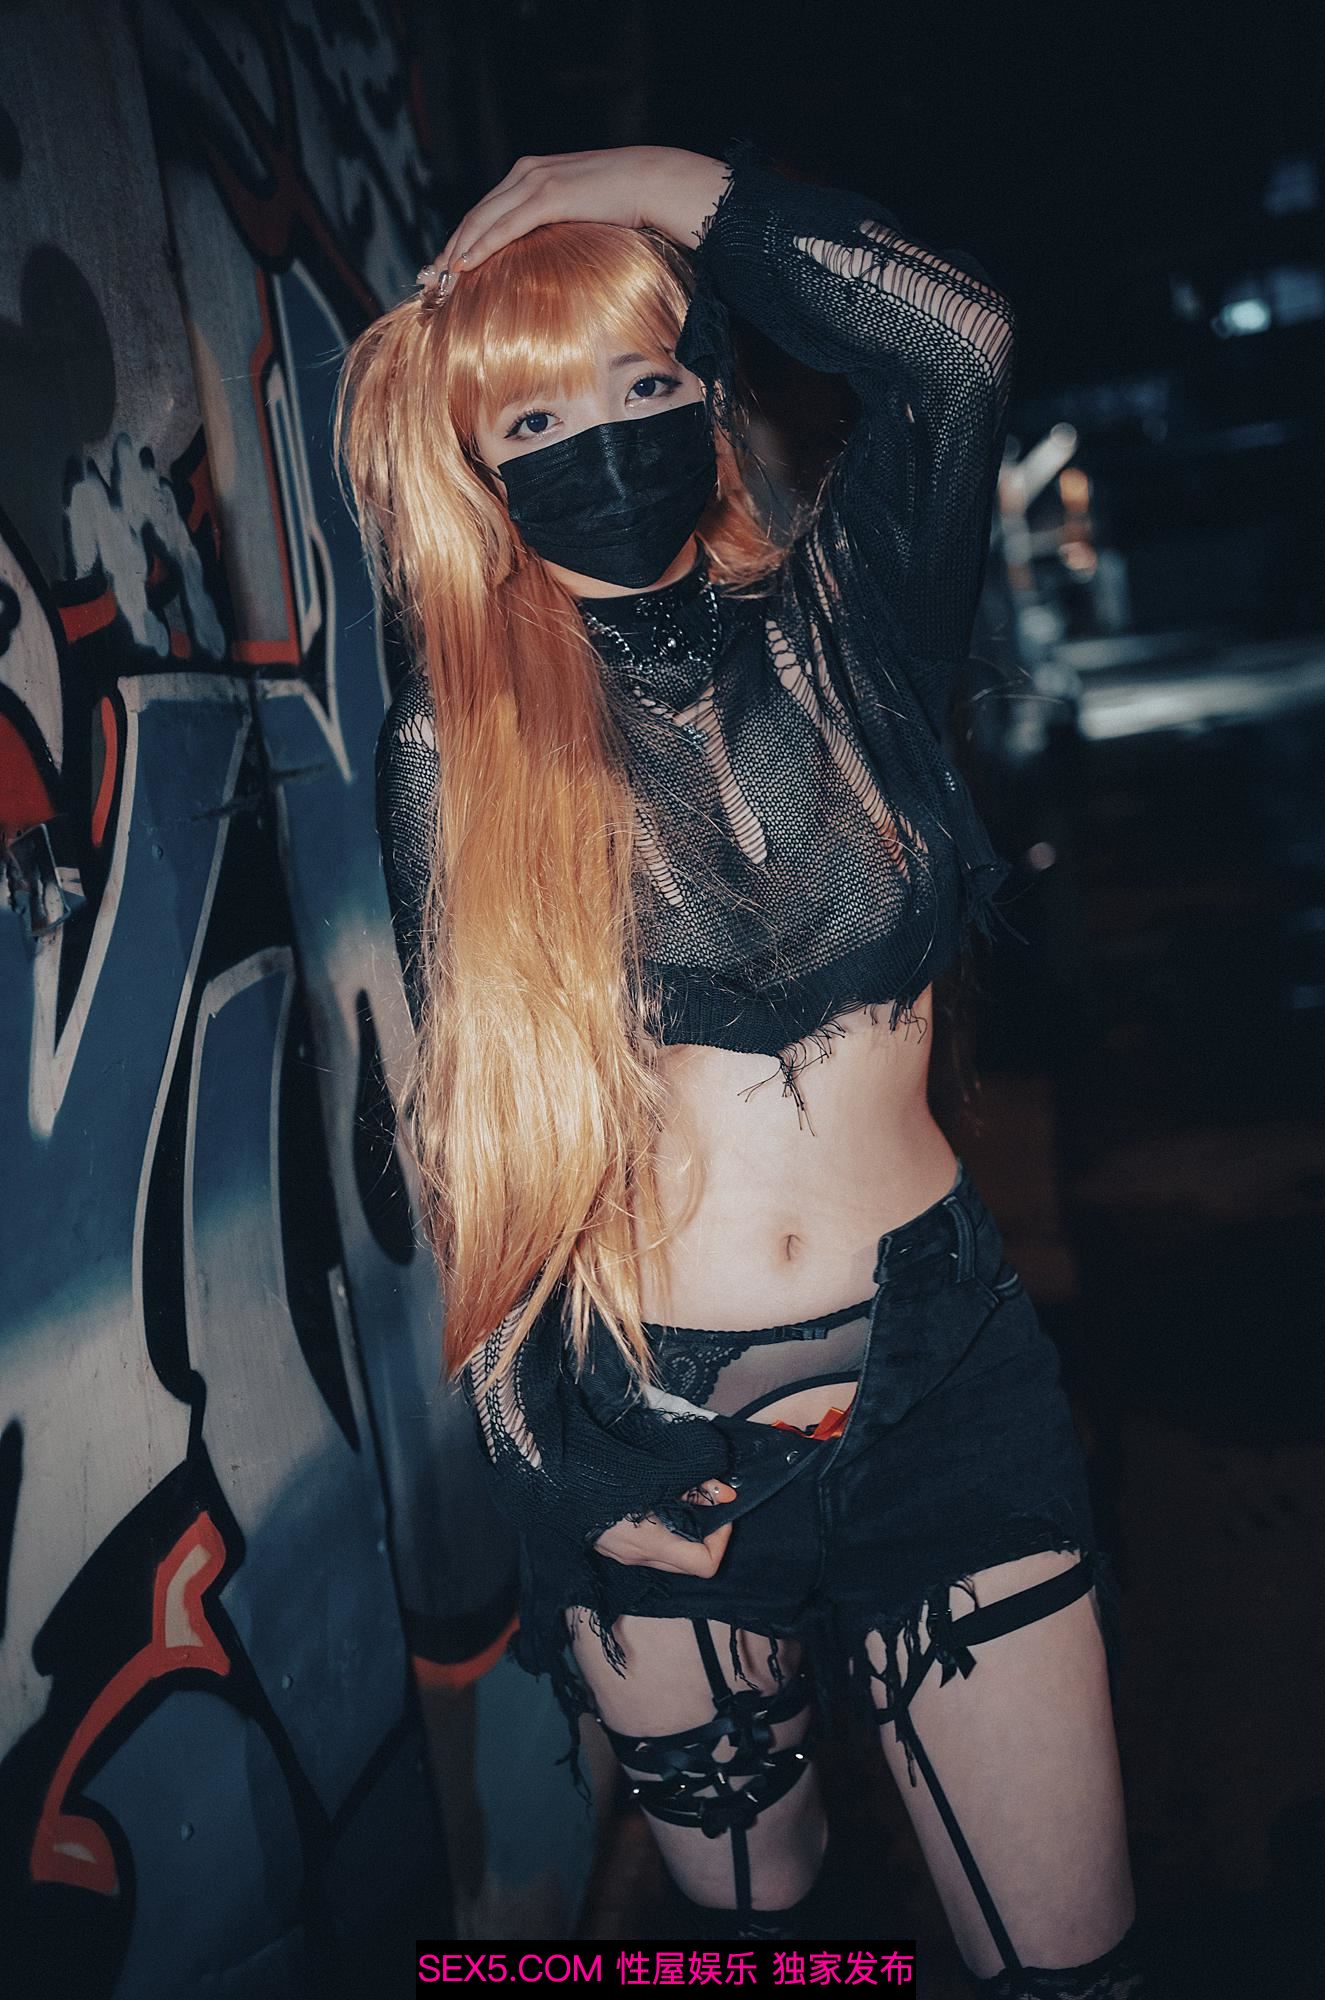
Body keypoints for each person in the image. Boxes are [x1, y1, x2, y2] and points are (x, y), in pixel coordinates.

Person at [337, 141, 1155, 1994]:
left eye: (644, 383)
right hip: (652, 1419)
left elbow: (956, 344)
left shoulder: (855, 625)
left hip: (944, 1379)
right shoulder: (458, 751)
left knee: (1073, 1955)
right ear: (473, 469)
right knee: (755, 1937)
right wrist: (558, 1468)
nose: (603, 441)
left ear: (708, 393)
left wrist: (634, 179)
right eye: (533, 418)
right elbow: (485, 1145)